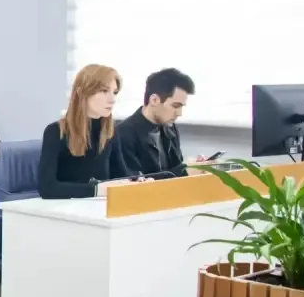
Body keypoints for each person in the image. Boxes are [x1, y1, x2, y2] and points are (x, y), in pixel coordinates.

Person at [40, 64, 136, 199]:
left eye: (114, 92)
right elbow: (47, 188)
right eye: (104, 91)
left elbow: (121, 175)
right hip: (67, 209)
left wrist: (137, 182)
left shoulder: (110, 131)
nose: (112, 100)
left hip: (99, 207)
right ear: (82, 93)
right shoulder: (56, 131)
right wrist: (95, 190)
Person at [115, 68, 197, 179]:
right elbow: (136, 184)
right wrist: (184, 171)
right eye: (175, 106)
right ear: (154, 100)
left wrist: (193, 166)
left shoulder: (170, 128)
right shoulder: (123, 135)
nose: (179, 113)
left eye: (182, 106)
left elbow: (177, 166)